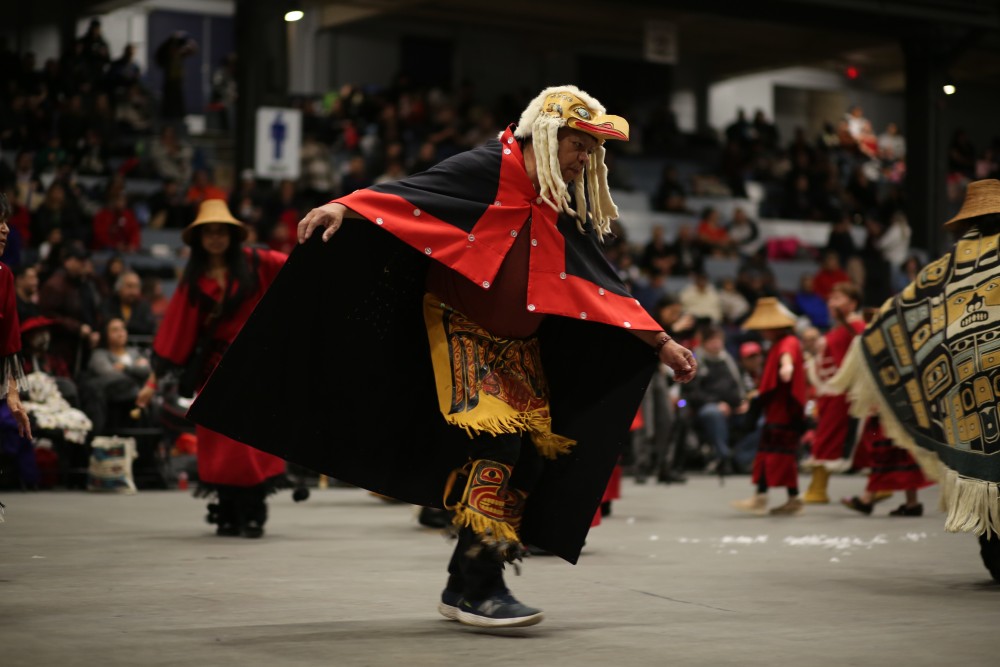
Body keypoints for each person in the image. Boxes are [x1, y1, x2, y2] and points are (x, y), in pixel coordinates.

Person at [187, 85, 697, 628]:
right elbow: (412, 195)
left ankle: (464, 582)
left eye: (592, 151)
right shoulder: (486, 168)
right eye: (579, 145)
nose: (585, 160)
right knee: (498, 446)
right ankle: (480, 588)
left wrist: (661, 342)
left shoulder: (557, 198)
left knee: (527, 460)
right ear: (547, 136)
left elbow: (599, 281)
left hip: (521, 348)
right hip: (461, 331)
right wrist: (343, 206)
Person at [831, 179, 1000, 581]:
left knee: (983, 475)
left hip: (965, 380)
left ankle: (994, 550)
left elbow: (905, 309)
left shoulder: (949, 265)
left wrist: (871, 338)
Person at [135, 200, 289, 539]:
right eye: (209, 233)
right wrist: (152, 382)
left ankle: (253, 511)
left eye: (221, 232)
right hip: (214, 372)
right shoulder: (194, 279)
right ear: (200, 238)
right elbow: (176, 331)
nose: (216, 238)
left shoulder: (258, 261)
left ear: (232, 235)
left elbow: (299, 268)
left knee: (251, 442)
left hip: (255, 365)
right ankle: (228, 511)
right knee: (220, 445)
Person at [731, 298, 807, 516]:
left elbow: (787, 357)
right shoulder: (778, 343)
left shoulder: (787, 341)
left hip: (784, 411)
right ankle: (788, 498)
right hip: (777, 409)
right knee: (777, 454)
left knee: (775, 455)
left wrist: (787, 367)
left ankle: (763, 498)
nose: (762, 331)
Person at [801, 282, 866, 503]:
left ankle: (818, 489)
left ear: (853, 303)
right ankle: (818, 488)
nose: (831, 303)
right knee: (826, 438)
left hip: (843, 393)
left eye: (837, 298)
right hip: (831, 392)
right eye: (830, 298)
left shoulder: (856, 326)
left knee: (829, 439)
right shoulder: (840, 328)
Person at [1, 193, 33, 500]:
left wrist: (12, 395)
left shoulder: (5, 276)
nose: (5, 229)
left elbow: (9, 341)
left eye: (6, 222)